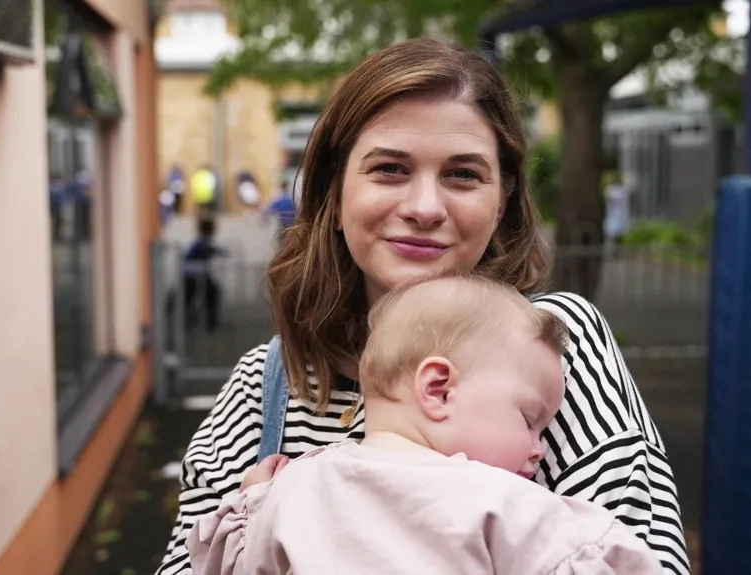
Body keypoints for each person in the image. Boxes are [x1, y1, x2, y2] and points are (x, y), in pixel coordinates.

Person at [156, 38, 689, 575]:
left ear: (500, 204)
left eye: (463, 175)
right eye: (389, 168)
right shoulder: (262, 387)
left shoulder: (549, 347)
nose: (425, 208)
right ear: (334, 196)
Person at [186, 273, 663, 575]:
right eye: (528, 420)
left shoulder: (293, 487)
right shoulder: (503, 504)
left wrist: (251, 499)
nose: (538, 448)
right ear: (438, 389)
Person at [181, 216, 227, 331]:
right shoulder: (203, 242)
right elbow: (209, 250)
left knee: (191, 298)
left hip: (191, 275)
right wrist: (221, 252)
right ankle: (210, 323)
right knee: (212, 294)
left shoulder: (200, 241)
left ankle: (193, 321)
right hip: (195, 276)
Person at [261, 177, 297, 243]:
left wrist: (265, 219)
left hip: (283, 224)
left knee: (281, 241)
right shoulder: (290, 198)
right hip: (291, 223)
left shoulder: (279, 199)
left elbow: (270, 209)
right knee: (290, 241)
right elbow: (296, 210)